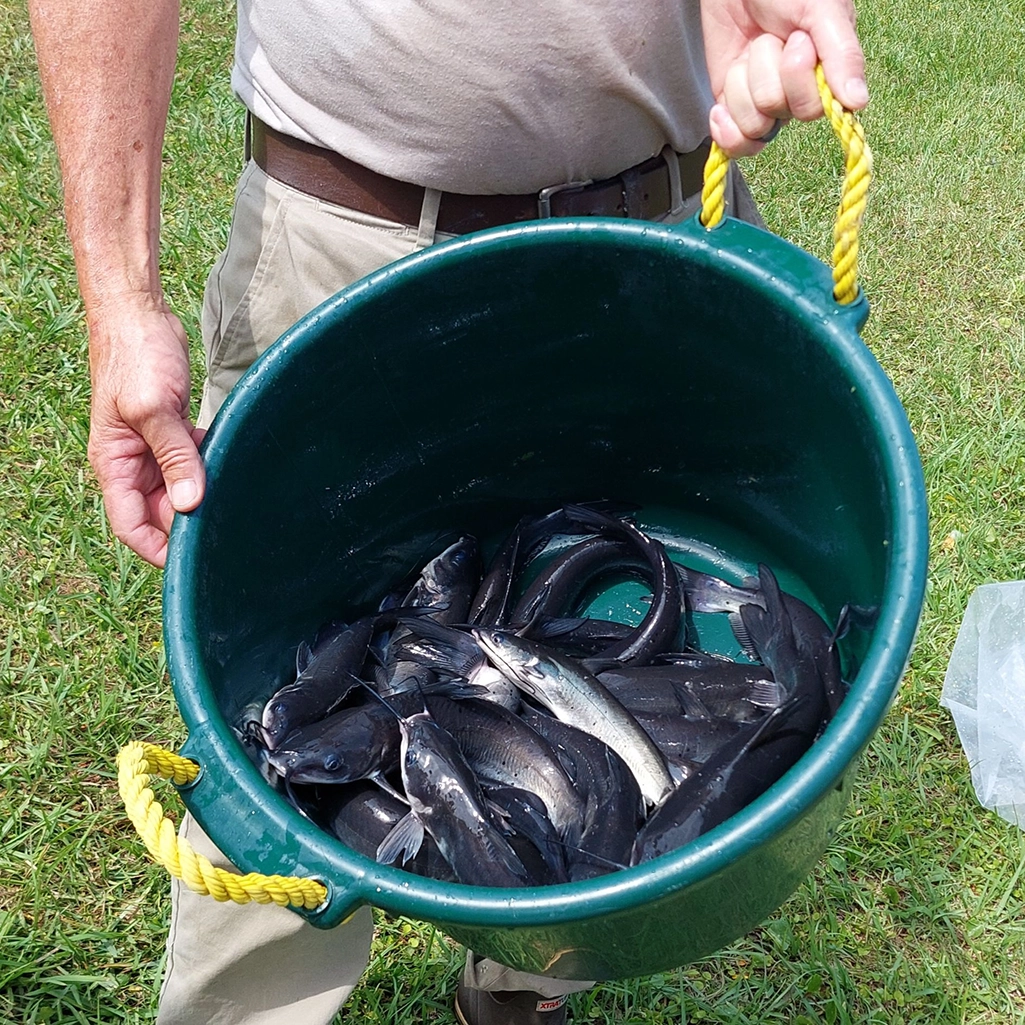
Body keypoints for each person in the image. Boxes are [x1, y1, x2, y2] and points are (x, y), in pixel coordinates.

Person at [29, 2, 867, 1022]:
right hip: (352, 236)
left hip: (659, 219)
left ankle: (527, 971)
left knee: (589, 831)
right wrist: (119, 291)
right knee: (270, 741)